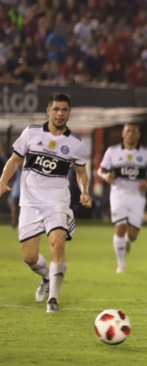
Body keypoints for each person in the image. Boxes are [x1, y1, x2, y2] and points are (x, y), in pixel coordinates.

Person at [0, 92, 92, 313]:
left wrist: (85, 191)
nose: (60, 114)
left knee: (57, 246)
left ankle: (53, 299)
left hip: (57, 202)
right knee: (29, 258)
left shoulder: (75, 143)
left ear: (69, 112)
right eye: (56, 109)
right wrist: (3, 181)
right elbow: (14, 160)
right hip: (30, 201)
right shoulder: (31, 133)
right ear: (48, 111)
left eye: (65, 110)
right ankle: (46, 277)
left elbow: (81, 172)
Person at [98, 123, 147, 273]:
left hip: (137, 196)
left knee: (132, 235)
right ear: (123, 134)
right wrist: (106, 176)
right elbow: (101, 170)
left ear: (138, 135)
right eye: (128, 131)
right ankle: (121, 264)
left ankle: (127, 241)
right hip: (118, 194)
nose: (130, 134)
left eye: (134, 131)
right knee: (120, 228)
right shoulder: (112, 151)